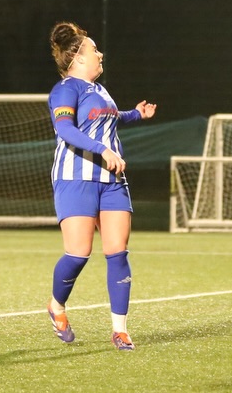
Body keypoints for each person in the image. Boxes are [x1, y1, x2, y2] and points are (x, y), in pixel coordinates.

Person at [45, 21, 157, 351]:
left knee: (117, 251)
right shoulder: (65, 89)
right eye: (94, 49)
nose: (100, 53)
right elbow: (65, 129)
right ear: (78, 57)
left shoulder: (99, 90)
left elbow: (110, 118)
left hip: (111, 180)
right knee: (79, 253)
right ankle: (56, 306)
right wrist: (103, 150)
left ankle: (120, 330)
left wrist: (135, 114)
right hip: (75, 178)